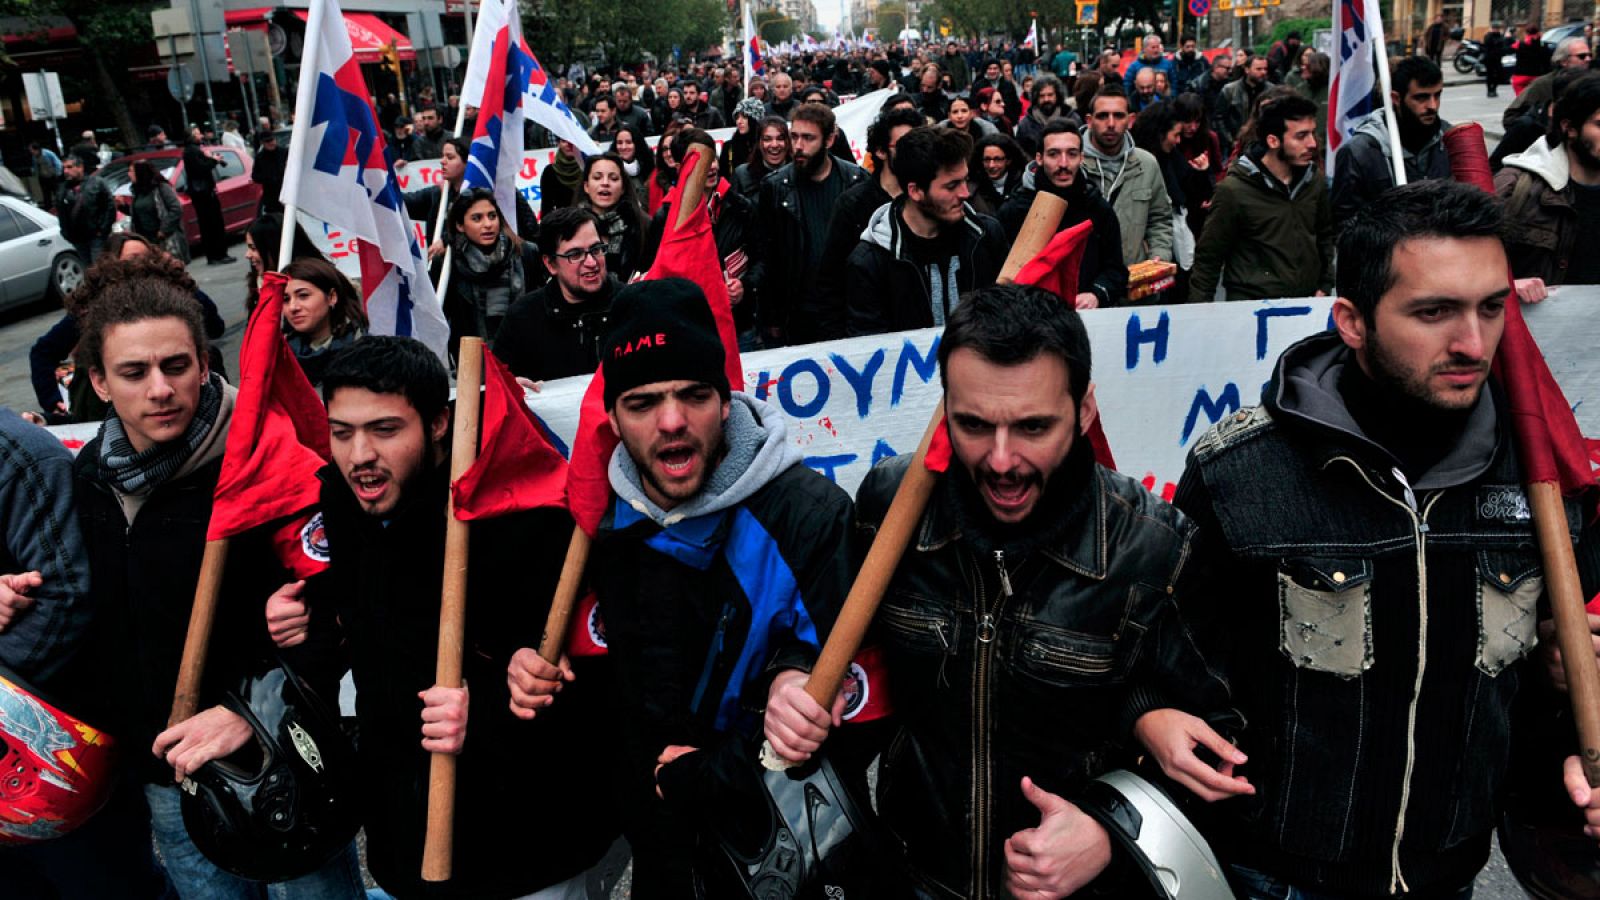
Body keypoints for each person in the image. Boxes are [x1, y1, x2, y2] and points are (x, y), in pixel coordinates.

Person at [1164, 178, 1600, 900]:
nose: (1472, 341)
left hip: (1450, 873)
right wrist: (1155, 714)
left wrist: (1570, 748)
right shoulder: (1241, 475)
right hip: (1275, 876)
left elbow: (1541, 691)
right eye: (1433, 312)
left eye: (1491, 308)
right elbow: (1169, 660)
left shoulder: (1544, 484)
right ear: (1353, 321)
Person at [818, 283, 1239, 898]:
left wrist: (1109, 834)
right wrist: (797, 677)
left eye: (1034, 426)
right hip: (913, 875)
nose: (1002, 460)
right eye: (974, 425)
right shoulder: (891, 509)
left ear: (1085, 410)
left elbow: (1223, 748)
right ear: (945, 409)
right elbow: (837, 652)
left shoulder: (1155, 548)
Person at [280, 337, 626, 898]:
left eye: (385, 430)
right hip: (407, 840)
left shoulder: (520, 516)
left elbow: (586, 685)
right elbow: (353, 627)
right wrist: (298, 621)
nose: (359, 454)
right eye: (341, 432)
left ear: (440, 423)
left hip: (527, 847)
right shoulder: (342, 505)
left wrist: (489, 708)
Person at [68, 257, 364, 899]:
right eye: (134, 372)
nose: (160, 389)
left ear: (205, 364)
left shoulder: (266, 465)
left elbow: (350, 608)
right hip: (167, 773)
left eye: (177, 366)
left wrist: (249, 711)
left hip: (279, 760)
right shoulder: (89, 476)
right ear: (98, 382)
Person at [572, 279, 855, 894]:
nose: (672, 422)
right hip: (658, 848)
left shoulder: (809, 514)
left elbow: (849, 688)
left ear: (726, 401)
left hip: (777, 851)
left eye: (693, 395)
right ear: (614, 417)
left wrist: (790, 684)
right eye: (643, 403)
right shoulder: (595, 521)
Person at [843, 126, 1007, 335]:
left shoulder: (985, 236)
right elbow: (872, 349)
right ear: (916, 191)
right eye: (952, 186)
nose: (965, 193)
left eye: (965, 180)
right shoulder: (871, 262)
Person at [1188, 94, 1332, 303]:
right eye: (1301, 136)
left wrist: (1325, 284)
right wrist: (1200, 317)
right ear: (1273, 140)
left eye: (1312, 133)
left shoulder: (1313, 181)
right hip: (1252, 310)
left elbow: (1325, 235)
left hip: (1307, 306)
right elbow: (1209, 258)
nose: (1311, 143)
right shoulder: (1234, 191)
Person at [755, 102, 869, 346]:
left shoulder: (857, 182)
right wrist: (772, 319)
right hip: (797, 315)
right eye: (794, 137)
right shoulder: (774, 187)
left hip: (847, 311)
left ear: (829, 140)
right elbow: (768, 257)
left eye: (808, 138)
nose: (798, 146)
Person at [811, 107, 924, 339]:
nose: (915, 152)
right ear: (882, 151)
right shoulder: (852, 204)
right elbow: (830, 281)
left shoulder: (926, 200)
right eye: (904, 144)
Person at [641, 130, 759, 349]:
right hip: (686, 331)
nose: (711, 167)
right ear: (679, 166)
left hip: (739, 329)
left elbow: (761, 258)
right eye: (702, 162)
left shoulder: (741, 207)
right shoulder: (664, 217)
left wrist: (745, 285)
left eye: (712, 158)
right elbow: (651, 274)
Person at [999, 119, 1128, 308]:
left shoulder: (1098, 209)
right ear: (1039, 158)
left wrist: (1096, 294)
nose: (1064, 163)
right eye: (1054, 154)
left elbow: (1116, 269)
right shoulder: (1014, 210)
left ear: (1081, 158)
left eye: (1072, 154)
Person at [1496, 73, 1600, 295]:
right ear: (1569, 128)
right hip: (1542, 327)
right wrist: (1509, 286)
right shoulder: (1518, 187)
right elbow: (1467, 269)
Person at [494, 207, 621, 383]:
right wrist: (511, 388)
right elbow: (495, 385)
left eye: (596, 249)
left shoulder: (631, 307)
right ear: (551, 264)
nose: (591, 262)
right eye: (575, 255)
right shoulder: (523, 317)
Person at [1332, 57, 1453, 229]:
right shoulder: (1361, 152)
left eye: (1437, 95)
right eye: (1421, 98)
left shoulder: (1450, 139)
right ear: (1396, 98)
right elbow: (1346, 224)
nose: (1432, 105)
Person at [1081, 85, 1175, 267]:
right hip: (1083, 284)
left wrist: (1159, 255)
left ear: (1130, 120)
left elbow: (1160, 217)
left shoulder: (1147, 164)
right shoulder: (1071, 164)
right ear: (1090, 121)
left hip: (1133, 280)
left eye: (1118, 115)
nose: (1110, 123)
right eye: (1102, 116)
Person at [443, 188, 540, 354]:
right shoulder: (448, 264)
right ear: (460, 225)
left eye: (492, 216)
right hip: (473, 363)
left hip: (526, 353)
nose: (488, 224)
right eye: (477, 218)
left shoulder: (525, 253)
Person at [279, 256, 368, 387]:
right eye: (286, 299)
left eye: (303, 296)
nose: (293, 307)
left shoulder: (365, 349)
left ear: (332, 297)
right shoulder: (280, 354)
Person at [577, 153, 646, 282]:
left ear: (623, 188)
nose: (605, 183)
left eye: (613, 179)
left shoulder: (642, 226)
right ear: (586, 186)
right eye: (597, 178)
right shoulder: (572, 227)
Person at [1503, 36, 1593, 129]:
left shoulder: (1592, 82)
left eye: (1590, 55)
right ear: (1564, 61)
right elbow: (1510, 117)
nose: (1588, 59)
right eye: (1582, 56)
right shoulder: (1544, 84)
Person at [181, 129, 236, 265]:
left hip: (202, 193)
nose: (201, 135)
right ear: (192, 137)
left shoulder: (193, 151)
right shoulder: (192, 151)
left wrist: (210, 158)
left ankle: (213, 255)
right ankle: (219, 254)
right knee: (214, 223)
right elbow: (201, 169)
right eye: (198, 134)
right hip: (204, 193)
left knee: (208, 225)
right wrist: (214, 161)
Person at [55, 150, 115, 264]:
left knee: (99, 266)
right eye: (64, 168)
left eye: (69, 167)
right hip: (78, 238)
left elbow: (109, 207)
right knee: (88, 269)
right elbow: (61, 213)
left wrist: (103, 229)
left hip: (96, 236)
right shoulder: (62, 189)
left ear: (80, 167)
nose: (66, 171)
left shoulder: (96, 183)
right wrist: (66, 233)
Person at [1217, 53, 1269, 155]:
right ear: (1247, 70)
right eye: (1259, 69)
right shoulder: (1230, 90)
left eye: (1265, 69)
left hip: (1263, 145)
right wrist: (1230, 141)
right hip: (1237, 145)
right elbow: (1219, 119)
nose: (1263, 72)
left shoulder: (1272, 91)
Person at [126, 160, 183, 253]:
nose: (128, 174)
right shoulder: (137, 192)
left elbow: (176, 209)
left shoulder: (161, 188)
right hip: (146, 240)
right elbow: (139, 212)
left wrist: (164, 230)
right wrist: (122, 206)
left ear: (140, 172)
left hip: (163, 238)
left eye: (131, 171)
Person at [1014, 73, 1077, 156]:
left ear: (1057, 95)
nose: (1046, 99)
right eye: (1042, 96)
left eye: (1050, 95)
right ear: (1036, 97)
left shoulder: (1072, 119)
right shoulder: (1025, 125)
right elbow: (1020, 155)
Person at [968, 131, 1027, 217]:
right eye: (987, 159)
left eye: (997, 159)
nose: (991, 165)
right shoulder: (972, 190)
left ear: (1008, 160)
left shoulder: (1023, 185)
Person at [720, 97, 766, 179]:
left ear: (754, 119)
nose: (739, 121)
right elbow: (723, 177)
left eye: (744, 117)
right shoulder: (729, 147)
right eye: (737, 117)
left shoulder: (764, 145)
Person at [540, 139, 585, 214]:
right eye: (564, 141)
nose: (569, 144)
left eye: (572, 140)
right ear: (558, 144)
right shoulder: (550, 171)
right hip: (562, 221)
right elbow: (546, 206)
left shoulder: (587, 168)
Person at [251, 129, 287, 215]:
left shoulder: (284, 152)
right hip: (271, 197)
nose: (271, 143)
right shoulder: (260, 157)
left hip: (286, 193)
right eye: (268, 141)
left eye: (272, 140)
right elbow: (255, 176)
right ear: (263, 143)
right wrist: (268, 178)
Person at [1513, 23, 1552, 96]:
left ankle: (1523, 104)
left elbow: (1507, 49)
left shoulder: (1519, 45)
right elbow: (1547, 61)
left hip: (1520, 75)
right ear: (1538, 33)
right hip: (1536, 76)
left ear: (1526, 33)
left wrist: (1508, 38)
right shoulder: (1543, 46)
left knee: (1520, 97)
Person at [30, 142, 62, 210]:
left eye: (32, 150)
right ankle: (49, 209)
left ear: (37, 149)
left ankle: (60, 207)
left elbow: (57, 163)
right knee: (46, 195)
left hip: (52, 176)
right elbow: (35, 166)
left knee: (57, 193)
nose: (31, 152)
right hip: (43, 177)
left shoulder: (48, 154)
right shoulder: (34, 157)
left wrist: (57, 174)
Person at [1484, 20, 1508, 98]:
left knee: (1498, 75)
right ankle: (1489, 90)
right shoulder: (1488, 36)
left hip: (1498, 58)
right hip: (1489, 58)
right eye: (1494, 28)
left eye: (1497, 28)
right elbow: (1488, 44)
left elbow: (1503, 45)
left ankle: (1494, 89)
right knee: (1489, 75)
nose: (1496, 30)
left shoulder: (1501, 36)